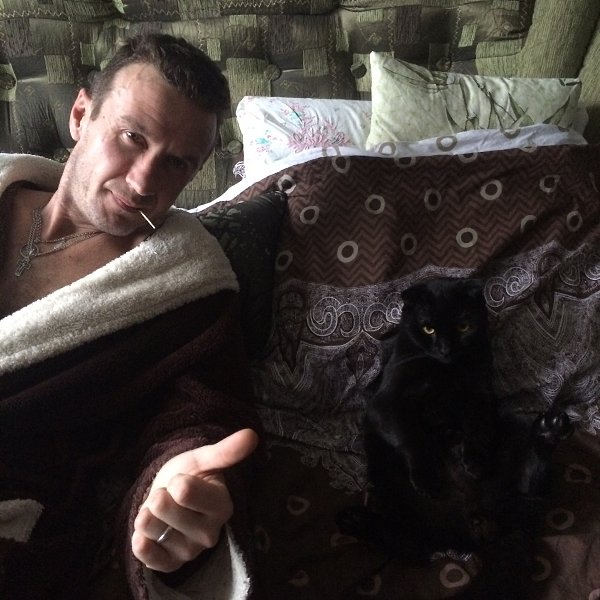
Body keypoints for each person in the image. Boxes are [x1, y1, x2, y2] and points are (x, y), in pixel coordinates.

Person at [0, 33, 260, 599]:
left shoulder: (188, 287)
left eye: (177, 163)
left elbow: (199, 422)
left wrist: (178, 488)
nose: (143, 183)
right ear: (80, 114)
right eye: (132, 137)